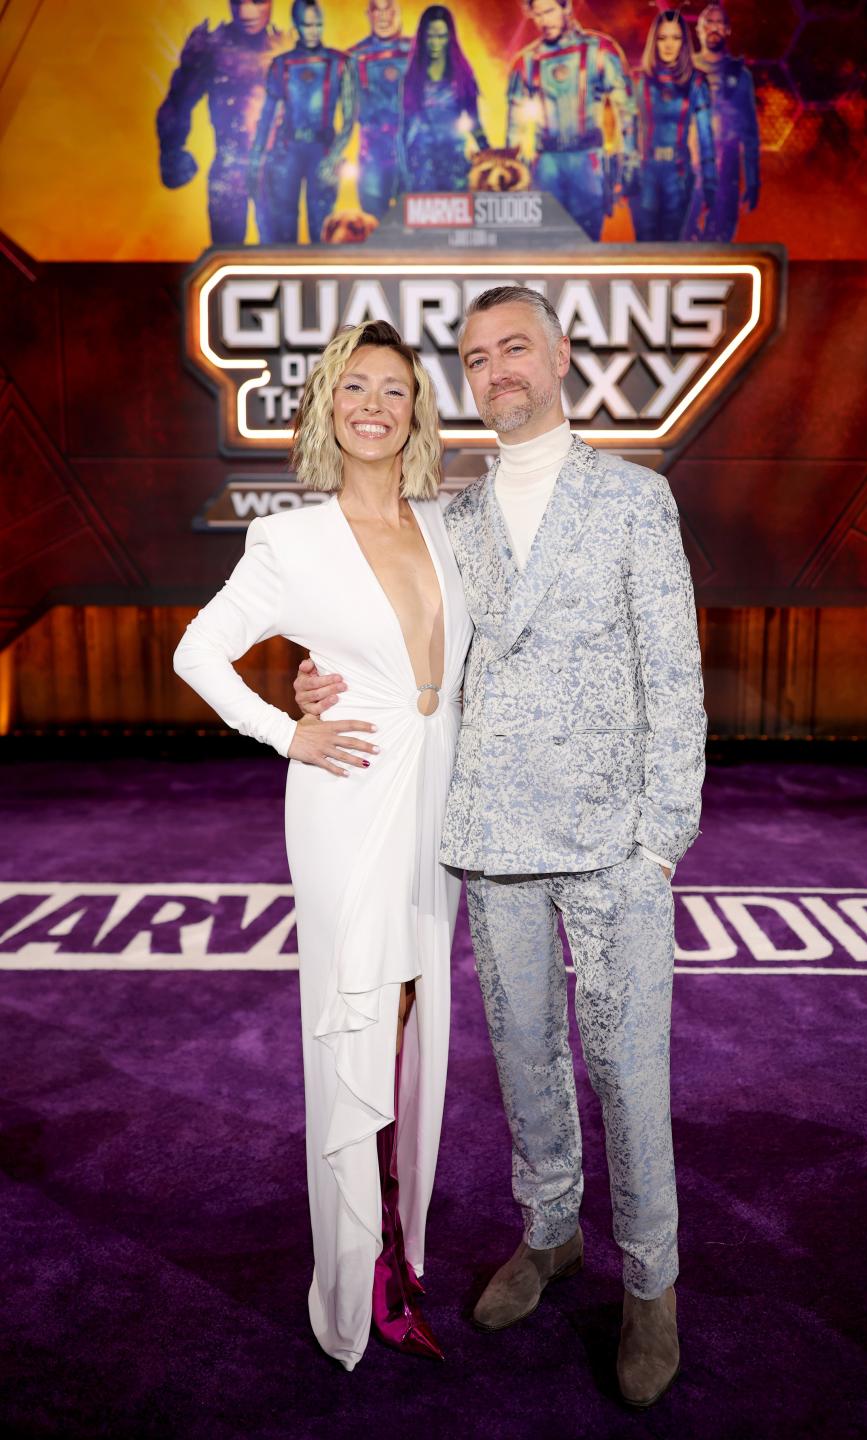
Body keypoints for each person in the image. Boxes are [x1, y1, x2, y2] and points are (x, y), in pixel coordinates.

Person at [296, 285, 706, 1407]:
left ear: (562, 353)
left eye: (515, 347)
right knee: (525, 1060)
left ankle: (653, 1283)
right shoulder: (453, 519)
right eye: (477, 358)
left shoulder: (634, 502)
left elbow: (674, 676)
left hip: (615, 841)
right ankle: (551, 1231)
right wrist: (311, 676)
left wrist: (661, 840)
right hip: (491, 837)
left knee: (627, 1069)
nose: (498, 371)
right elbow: (403, 645)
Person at [173, 321, 473, 1370]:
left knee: (415, 1021)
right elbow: (196, 651)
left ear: (418, 410)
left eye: (396, 389)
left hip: (438, 804)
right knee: (360, 1027)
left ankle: (401, 1245)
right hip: (346, 799)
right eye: (356, 387)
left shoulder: (450, 526)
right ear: (326, 408)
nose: (376, 405)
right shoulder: (291, 541)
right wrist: (287, 725)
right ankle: (363, 1284)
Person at [157, 0, 287, 244]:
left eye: (257, 1)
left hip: (275, 173)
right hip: (229, 171)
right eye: (238, 1)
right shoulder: (211, 50)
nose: (246, 12)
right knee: (227, 256)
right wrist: (172, 152)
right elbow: (177, 102)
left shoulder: (287, 49)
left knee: (281, 260)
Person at [505, 0, 634, 243]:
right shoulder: (526, 62)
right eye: (538, 14)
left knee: (586, 245)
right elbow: (514, 128)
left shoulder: (600, 51)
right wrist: (513, 176)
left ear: (567, 8)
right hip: (547, 165)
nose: (544, 21)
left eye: (550, 11)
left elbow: (626, 108)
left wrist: (629, 159)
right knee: (546, 246)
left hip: (587, 161)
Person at [249, 1, 357, 244]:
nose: (314, 31)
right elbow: (266, 117)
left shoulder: (340, 63)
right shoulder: (281, 65)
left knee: (322, 225)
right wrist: (256, 160)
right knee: (284, 226)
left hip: (323, 150)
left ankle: (322, 278)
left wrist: (333, 157)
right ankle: (288, 278)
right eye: (308, 25)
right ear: (297, 25)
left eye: (319, 25)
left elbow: (350, 118)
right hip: (288, 151)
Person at [628, 8, 717, 242]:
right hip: (645, 173)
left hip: (678, 174)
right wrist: (627, 170)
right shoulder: (640, 80)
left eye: (676, 38)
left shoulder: (696, 81)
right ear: (654, 41)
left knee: (670, 245)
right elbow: (628, 127)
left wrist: (710, 182)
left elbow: (706, 135)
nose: (669, 45)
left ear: (684, 43)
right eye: (662, 38)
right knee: (644, 245)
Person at [685, 3, 760, 241]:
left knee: (721, 241)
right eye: (708, 22)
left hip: (726, 170)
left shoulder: (740, 75)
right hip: (689, 167)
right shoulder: (684, 70)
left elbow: (749, 132)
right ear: (698, 29)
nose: (713, 28)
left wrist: (753, 178)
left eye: (719, 23)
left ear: (728, 30)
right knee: (681, 238)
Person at [401, 6, 488, 193]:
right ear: (422, 36)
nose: (435, 43)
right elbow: (404, 126)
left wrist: (487, 152)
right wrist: (401, 170)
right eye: (430, 36)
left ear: (450, 37)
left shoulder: (462, 75)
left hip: (454, 159)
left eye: (441, 36)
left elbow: (474, 120)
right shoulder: (411, 77)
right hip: (421, 161)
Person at [349, 0, 412, 218]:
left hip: (414, 153)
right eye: (378, 10)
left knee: (415, 226)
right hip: (374, 157)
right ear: (368, 14)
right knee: (374, 223)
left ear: (400, 11)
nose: (383, 17)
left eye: (389, 10)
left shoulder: (419, 51)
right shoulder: (354, 57)